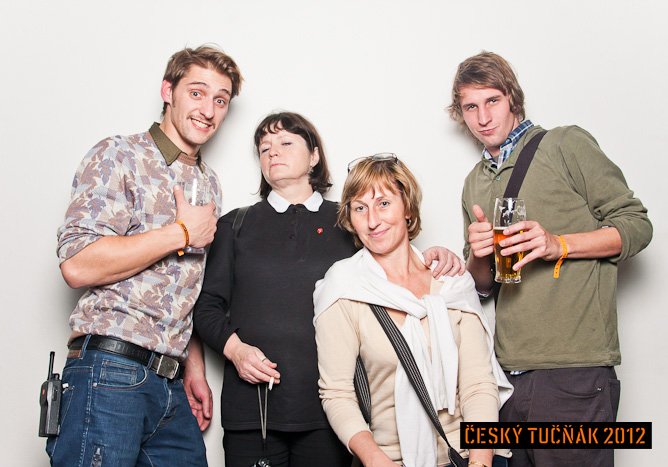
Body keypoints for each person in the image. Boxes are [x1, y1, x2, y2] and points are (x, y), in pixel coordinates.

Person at [193, 112, 465, 467]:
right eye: (264, 147)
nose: (273, 152)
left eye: (286, 142)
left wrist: (432, 255)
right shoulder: (235, 224)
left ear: (314, 156)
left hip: (333, 413)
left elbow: (395, 262)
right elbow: (205, 307)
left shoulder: (351, 220)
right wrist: (236, 351)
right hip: (253, 411)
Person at [448, 51, 653, 467]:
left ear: (512, 98)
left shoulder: (564, 144)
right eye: (471, 107)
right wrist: (477, 256)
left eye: (492, 101)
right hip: (506, 375)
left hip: (574, 370)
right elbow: (482, 287)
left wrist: (559, 244)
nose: (482, 117)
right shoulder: (474, 183)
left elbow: (636, 224)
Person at [50, 45, 242, 466]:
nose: (208, 110)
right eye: (196, 93)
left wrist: (193, 367)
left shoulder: (209, 183)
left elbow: (186, 283)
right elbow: (78, 265)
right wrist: (182, 233)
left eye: (220, 99)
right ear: (168, 91)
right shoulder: (119, 154)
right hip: (110, 369)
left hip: (169, 382)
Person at [314, 155, 512, 467]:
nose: (372, 221)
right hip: (391, 459)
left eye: (383, 203)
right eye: (360, 208)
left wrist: (480, 462)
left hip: (468, 455)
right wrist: (375, 460)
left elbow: (478, 385)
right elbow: (337, 394)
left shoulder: (451, 283)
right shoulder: (343, 287)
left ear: (407, 207)